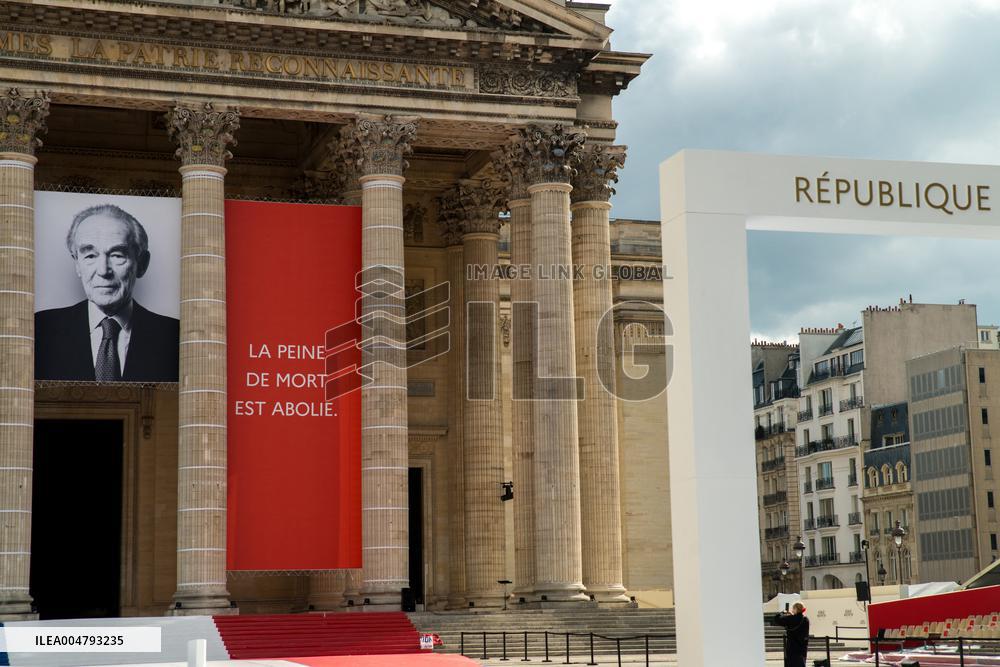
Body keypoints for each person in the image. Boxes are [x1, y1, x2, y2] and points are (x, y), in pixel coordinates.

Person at [35, 204, 179, 382]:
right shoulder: (40, 330)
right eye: (90, 256)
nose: (103, 271)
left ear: (142, 264)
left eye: (117, 255)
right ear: (77, 265)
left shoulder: (175, 336)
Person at [773, 602, 810, 667]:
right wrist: (791, 616)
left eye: (793, 608)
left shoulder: (791, 619)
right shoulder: (806, 619)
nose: (792, 610)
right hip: (802, 647)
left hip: (792, 647)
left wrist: (783, 612)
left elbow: (776, 619)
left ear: (795, 609)